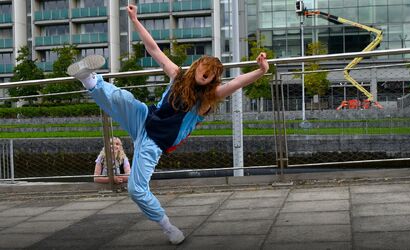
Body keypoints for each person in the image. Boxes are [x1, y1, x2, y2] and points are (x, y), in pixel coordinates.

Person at [66, 4, 269, 245]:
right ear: (198, 66)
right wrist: (134, 20)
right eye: (205, 69)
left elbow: (236, 83)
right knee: (121, 99)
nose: (206, 74)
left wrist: (261, 71)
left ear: (214, 78)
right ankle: (89, 78)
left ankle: (168, 227)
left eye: (211, 74)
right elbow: (153, 48)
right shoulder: (177, 75)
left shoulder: (207, 98)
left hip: (155, 142)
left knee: (136, 189)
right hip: (145, 119)